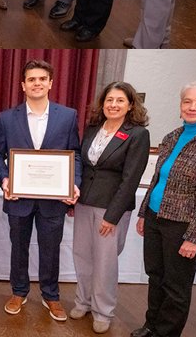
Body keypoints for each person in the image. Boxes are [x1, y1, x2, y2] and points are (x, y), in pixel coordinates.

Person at [133, 80, 196, 337]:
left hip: (183, 226)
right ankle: (151, 326)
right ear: (180, 104)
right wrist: (144, 213)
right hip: (155, 217)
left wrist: (195, 238)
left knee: (176, 287)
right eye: (187, 101)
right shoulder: (172, 137)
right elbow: (158, 179)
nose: (192, 107)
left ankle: (166, 333)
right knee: (155, 276)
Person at [0, 59, 80, 322]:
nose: (37, 83)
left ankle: (51, 295)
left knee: (51, 249)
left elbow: (75, 154)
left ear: (51, 83)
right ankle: (18, 292)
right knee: (18, 247)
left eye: (42, 79)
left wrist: (74, 183)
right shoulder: (6, 118)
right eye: (31, 79)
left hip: (53, 199)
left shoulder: (68, 116)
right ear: (23, 85)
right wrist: (5, 179)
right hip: (18, 198)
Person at [71, 82, 151, 334]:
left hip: (111, 209)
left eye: (119, 100)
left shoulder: (138, 134)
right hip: (85, 203)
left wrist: (112, 216)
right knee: (82, 255)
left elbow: (131, 179)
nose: (113, 105)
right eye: (109, 100)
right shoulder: (93, 128)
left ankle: (103, 311)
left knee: (105, 262)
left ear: (130, 105)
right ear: (102, 103)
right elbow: (83, 164)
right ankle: (83, 302)